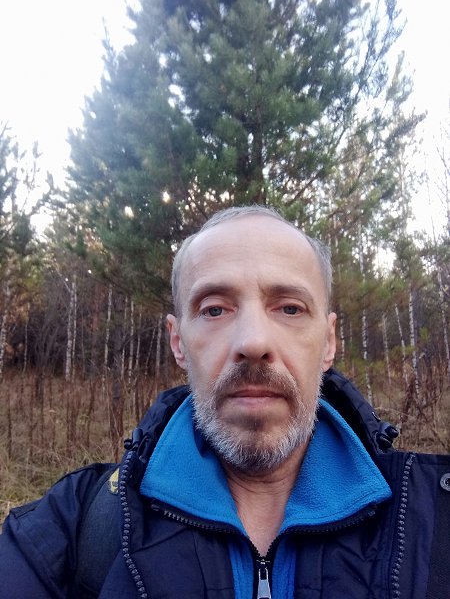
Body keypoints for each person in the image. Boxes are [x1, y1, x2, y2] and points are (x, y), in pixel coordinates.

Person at [1, 205, 449, 599]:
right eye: (214, 309)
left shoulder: (434, 522)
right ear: (178, 342)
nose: (253, 342)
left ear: (329, 341)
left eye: (290, 308)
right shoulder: (73, 528)